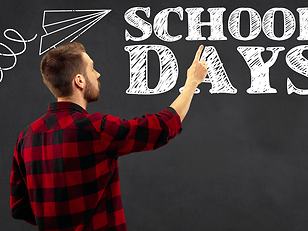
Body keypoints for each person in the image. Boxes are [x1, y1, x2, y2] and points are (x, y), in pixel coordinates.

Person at [10, 42, 208, 231]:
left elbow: (19, 207)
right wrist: (192, 82)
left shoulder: (26, 137)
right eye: (92, 69)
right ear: (79, 80)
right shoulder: (95, 129)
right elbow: (162, 126)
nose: (98, 74)